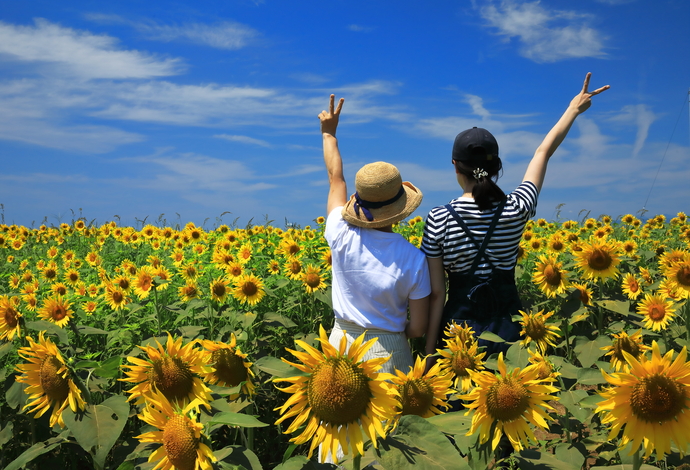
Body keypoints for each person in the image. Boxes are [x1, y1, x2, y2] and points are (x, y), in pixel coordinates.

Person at [422, 73, 610, 358]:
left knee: (461, 401)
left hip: (458, 335)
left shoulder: (439, 218)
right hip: (510, 331)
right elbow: (542, 153)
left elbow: (437, 294)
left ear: (455, 165)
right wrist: (572, 110)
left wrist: (428, 348)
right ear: (496, 164)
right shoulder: (516, 208)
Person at [320, 94, 431, 374]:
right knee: (391, 419)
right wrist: (389, 336)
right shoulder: (414, 259)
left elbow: (336, 178)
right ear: (400, 207)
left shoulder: (339, 231)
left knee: (336, 416)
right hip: (389, 351)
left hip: (340, 345)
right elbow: (417, 328)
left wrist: (328, 133)